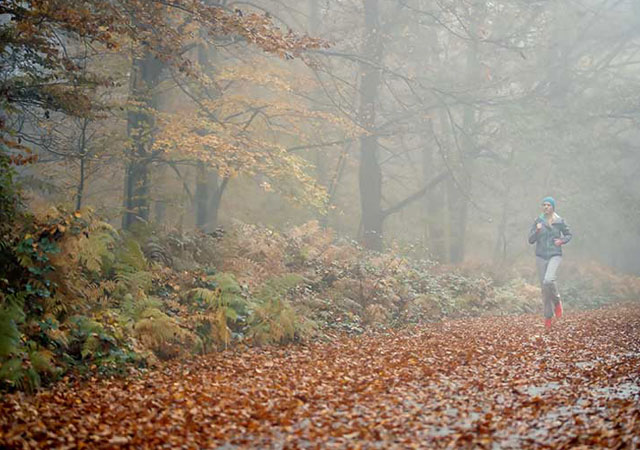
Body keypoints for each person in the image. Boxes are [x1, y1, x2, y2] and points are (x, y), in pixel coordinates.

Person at [528, 196, 572, 330]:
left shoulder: (559, 221)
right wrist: (537, 230)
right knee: (544, 288)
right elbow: (530, 240)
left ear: (553, 207)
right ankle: (548, 317)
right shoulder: (538, 221)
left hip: (555, 255)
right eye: (544, 205)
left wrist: (562, 241)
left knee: (548, 280)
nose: (546, 207)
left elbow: (569, 234)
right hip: (540, 256)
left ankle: (557, 301)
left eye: (548, 205)